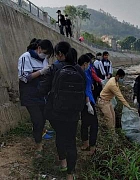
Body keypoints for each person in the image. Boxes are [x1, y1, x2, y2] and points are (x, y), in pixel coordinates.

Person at [39, 42, 81, 180]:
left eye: (56, 54)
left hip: (56, 113)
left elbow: (42, 89)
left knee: (60, 136)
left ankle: (63, 163)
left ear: (60, 54)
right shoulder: (78, 69)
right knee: (71, 141)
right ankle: (70, 174)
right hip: (73, 113)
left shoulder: (54, 68)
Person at [18, 38, 53, 157]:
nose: (45, 56)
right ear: (39, 49)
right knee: (37, 120)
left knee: (43, 119)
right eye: (45, 53)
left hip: (41, 95)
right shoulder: (25, 57)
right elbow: (24, 77)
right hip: (30, 95)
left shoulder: (43, 59)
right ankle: (38, 146)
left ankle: (40, 138)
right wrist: (41, 72)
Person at [78, 54, 98, 155]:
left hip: (86, 101)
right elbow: (84, 89)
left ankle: (85, 144)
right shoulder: (83, 74)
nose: (90, 65)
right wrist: (88, 103)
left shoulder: (83, 72)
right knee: (94, 125)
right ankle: (92, 147)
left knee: (85, 123)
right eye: (89, 63)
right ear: (85, 64)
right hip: (88, 102)